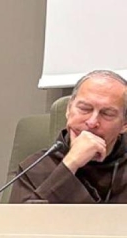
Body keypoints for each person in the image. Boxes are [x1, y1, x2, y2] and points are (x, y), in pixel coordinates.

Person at [10, 69, 127, 203]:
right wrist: (71, 163)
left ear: (124, 124)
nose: (92, 122)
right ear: (68, 109)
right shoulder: (35, 168)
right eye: (84, 108)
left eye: (107, 113)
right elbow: (21, 217)